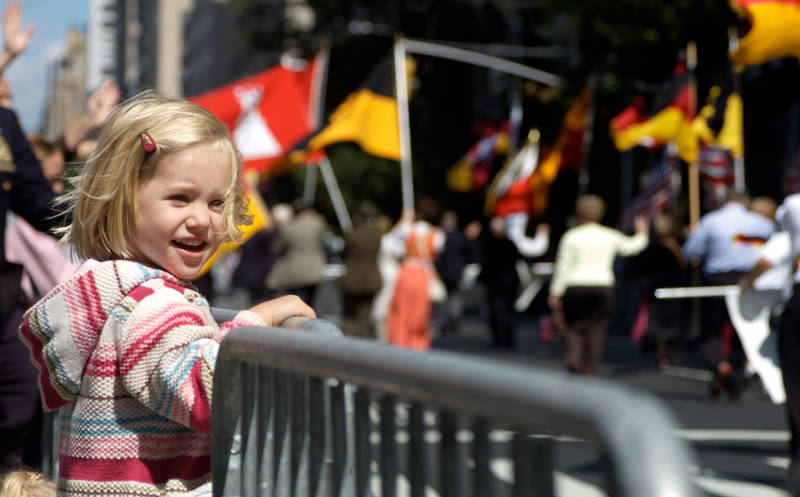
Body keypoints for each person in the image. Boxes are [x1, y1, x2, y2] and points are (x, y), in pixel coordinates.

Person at [18, 92, 315, 497]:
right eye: (180, 198)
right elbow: (206, 392)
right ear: (123, 199)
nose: (202, 220)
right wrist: (257, 324)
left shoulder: (116, 290)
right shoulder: (151, 302)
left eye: (215, 202)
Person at [682, 190, 775, 399]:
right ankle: (735, 376)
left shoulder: (711, 221)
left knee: (712, 328)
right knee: (741, 330)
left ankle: (719, 365)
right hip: (748, 280)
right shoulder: (762, 224)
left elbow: (691, 252)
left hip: (717, 278)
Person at [548, 194, 649, 375]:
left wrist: (555, 292)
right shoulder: (609, 235)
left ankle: (574, 359)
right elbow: (631, 247)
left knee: (574, 326)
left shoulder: (571, 236)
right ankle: (590, 369)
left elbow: (563, 266)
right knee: (596, 328)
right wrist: (642, 233)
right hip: (603, 285)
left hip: (575, 285)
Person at [627, 213, 688, 367]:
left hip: (668, 290)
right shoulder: (671, 249)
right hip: (664, 291)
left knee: (666, 322)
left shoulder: (676, 249)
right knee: (666, 323)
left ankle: (667, 353)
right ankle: (667, 353)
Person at [384, 196, 445, 350]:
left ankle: (398, 342)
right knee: (420, 314)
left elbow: (388, 242)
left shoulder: (408, 229)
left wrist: (403, 221)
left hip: (406, 272)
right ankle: (417, 345)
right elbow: (438, 252)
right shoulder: (437, 234)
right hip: (423, 275)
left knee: (400, 311)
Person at [336, 201, 383, 338]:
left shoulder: (352, 234)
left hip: (352, 279)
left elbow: (343, 254)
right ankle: (363, 344)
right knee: (365, 316)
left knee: (349, 316)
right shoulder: (377, 235)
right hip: (372, 279)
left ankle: (347, 346)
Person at [265, 201, 327, 305]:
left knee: (295, 302)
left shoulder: (288, 228)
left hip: (294, 271)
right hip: (314, 270)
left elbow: (276, 248)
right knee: (311, 303)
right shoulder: (318, 223)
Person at [434, 211, 481, 335]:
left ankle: (445, 323)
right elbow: (471, 254)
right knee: (455, 297)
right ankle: (454, 323)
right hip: (457, 271)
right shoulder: (461, 237)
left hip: (443, 272)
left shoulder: (440, 237)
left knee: (445, 299)